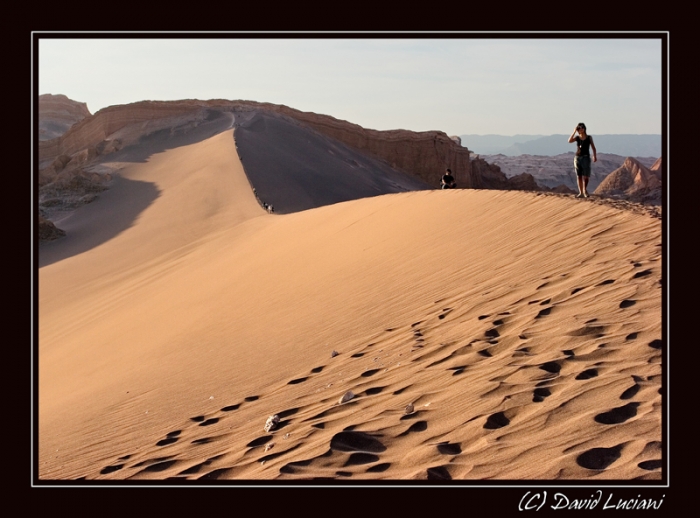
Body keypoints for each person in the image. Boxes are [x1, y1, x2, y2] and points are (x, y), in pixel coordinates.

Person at [568, 123, 597, 198]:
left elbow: (593, 147)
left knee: (586, 176)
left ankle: (585, 190)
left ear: (584, 129)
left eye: (582, 128)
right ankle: (581, 192)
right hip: (578, 158)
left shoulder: (589, 138)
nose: (580, 129)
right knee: (579, 176)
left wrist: (594, 156)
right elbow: (569, 141)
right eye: (579, 128)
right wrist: (574, 132)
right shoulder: (577, 138)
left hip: (586, 158)